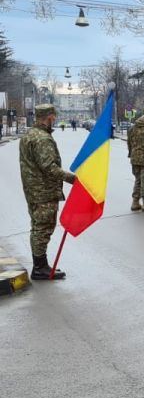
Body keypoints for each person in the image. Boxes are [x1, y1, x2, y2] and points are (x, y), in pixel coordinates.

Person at [19, 103, 76, 280]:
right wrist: (73, 179)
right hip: (43, 191)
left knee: (38, 227)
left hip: (33, 190)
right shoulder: (42, 139)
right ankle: (40, 268)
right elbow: (49, 168)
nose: (55, 118)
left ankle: (40, 265)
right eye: (53, 115)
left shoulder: (30, 134)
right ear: (49, 117)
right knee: (43, 228)